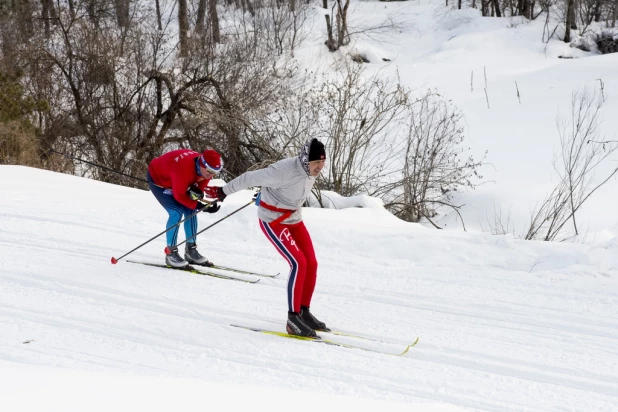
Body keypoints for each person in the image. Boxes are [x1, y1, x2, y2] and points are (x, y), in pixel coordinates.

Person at [216, 139, 328, 337]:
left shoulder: (310, 170)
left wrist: (269, 193)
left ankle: (304, 311)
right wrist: (224, 191)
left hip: (294, 219)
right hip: (273, 221)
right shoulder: (283, 170)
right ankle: (293, 319)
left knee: (311, 263)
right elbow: (250, 177)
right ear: (304, 160)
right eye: (315, 163)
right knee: (298, 262)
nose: (320, 167)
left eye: (322, 162)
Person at [147, 149, 222, 268]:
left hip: (177, 181)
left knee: (190, 210)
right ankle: (171, 254)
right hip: (159, 181)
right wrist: (200, 206)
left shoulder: (205, 171)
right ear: (202, 164)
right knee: (176, 212)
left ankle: (191, 251)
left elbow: (196, 194)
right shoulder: (184, 169)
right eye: (210, 171)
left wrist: (199, 199)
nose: (211, 175)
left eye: (215, 172)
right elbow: (179, 196)